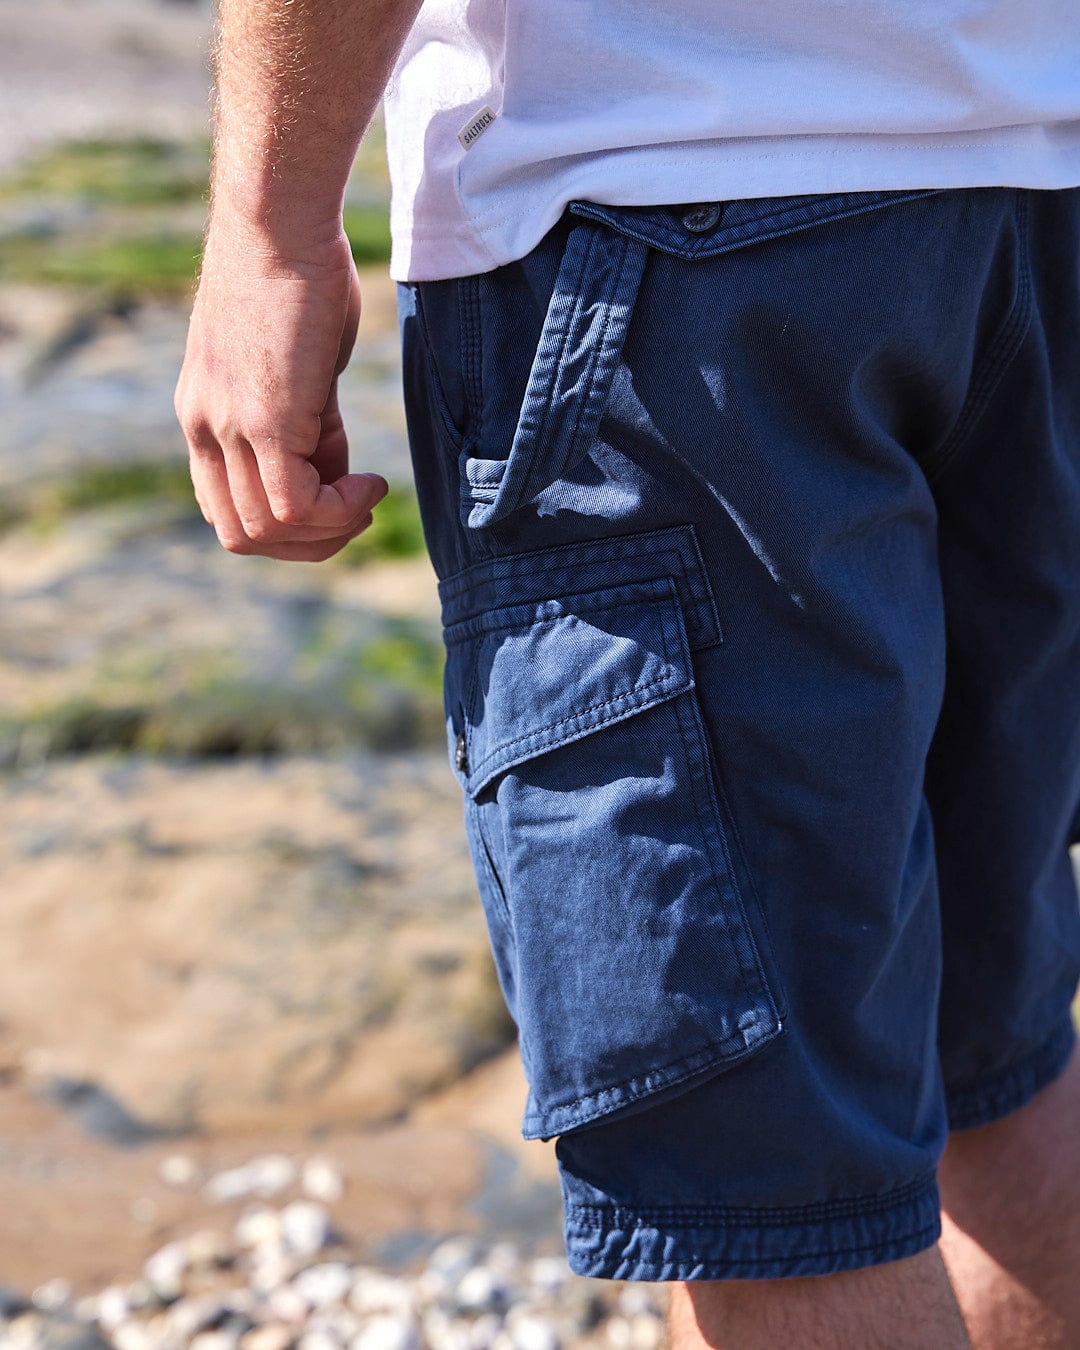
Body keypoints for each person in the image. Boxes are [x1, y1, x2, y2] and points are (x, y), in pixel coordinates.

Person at [174, 2, 1080, 1344]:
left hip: (666, 221)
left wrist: (269, 220)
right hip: (1029, 182)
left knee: (776, 1182)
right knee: (985, 1043)